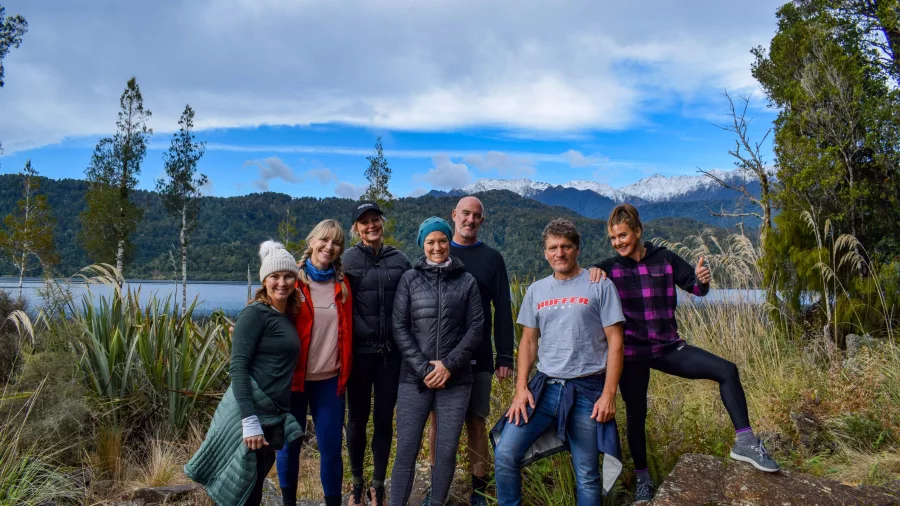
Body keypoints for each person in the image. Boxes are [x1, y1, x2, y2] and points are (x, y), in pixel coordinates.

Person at [589, 204, 779, 505]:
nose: (618, 243)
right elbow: (586, 288)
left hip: (668, 348)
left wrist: (702, 279)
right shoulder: (608, 268)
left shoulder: (665, 259)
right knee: (637, 416)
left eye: (622, 236)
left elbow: (697, 289)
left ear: (638, 232)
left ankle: (745, 443)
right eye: (613, 238)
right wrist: (592, 271)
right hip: (632, 356)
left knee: (727, 371)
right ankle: (643, 481)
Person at [491, 218, 626, 506]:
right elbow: (528, 342)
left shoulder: (599, 285)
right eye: (553, 248)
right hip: (544, 388)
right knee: (505, 452)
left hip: (587, 391)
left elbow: (616, 342)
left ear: (577, 249)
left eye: (566, 246)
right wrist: (520, 388)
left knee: (587, 474)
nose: (559, 253)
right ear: (545, 252)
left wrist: (609, 394)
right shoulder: (536, 291)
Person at [185, 241, 304, 506]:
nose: (281, 282)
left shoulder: (285, 314)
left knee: (254, 486)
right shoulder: (254, 314)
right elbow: (237, 368)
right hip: (250, 413)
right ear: (264, 280)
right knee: (245, 493)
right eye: (274, 276)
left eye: (288, 276)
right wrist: (249, 421)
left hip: (272, 413)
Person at [422, 196, 515, 506]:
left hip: (479, 356)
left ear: (481, 221)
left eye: (477, 216)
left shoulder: (492, 259)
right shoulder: (437, 250)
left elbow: (503, 309)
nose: (471, 220)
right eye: (465, 213)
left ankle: (478, 489)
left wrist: (505, 356)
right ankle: (437, 489)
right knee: (438, 422)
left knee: (476, 421)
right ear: (454, 215)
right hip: (439, 356)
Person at [390, 217, 484, 506]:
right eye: (430, 241)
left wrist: (449, 365)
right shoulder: (410, 279)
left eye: (442, 240)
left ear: (449, 242)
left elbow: (476, 327)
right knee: (406, 448)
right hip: (413, 380)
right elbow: (399, 326)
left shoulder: (466, 281)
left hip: (456, 380)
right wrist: (423, 368)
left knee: (446, 451)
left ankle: (437, 502)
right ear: (422, 245)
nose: (437, 246)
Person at [276, 219, 353, 506]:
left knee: (332, 448)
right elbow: (266, 310)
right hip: (293, 381)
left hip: (331, 380)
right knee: (289, 445)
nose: (329, 246)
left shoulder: (344, 286)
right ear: (311, 242)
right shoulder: (292, 281)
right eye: (324, 240)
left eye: (335, 242)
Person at [343, 201, 411, 506]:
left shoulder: (400, 260)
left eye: (375, 220)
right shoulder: (346, 260)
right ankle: (357, 482)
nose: (371, 226)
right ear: (356, 228)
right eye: (364, 222)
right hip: (359, 354)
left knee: (384, 419)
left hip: (390, 355)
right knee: (357, 419)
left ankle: (378, 485)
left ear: (382, 223)